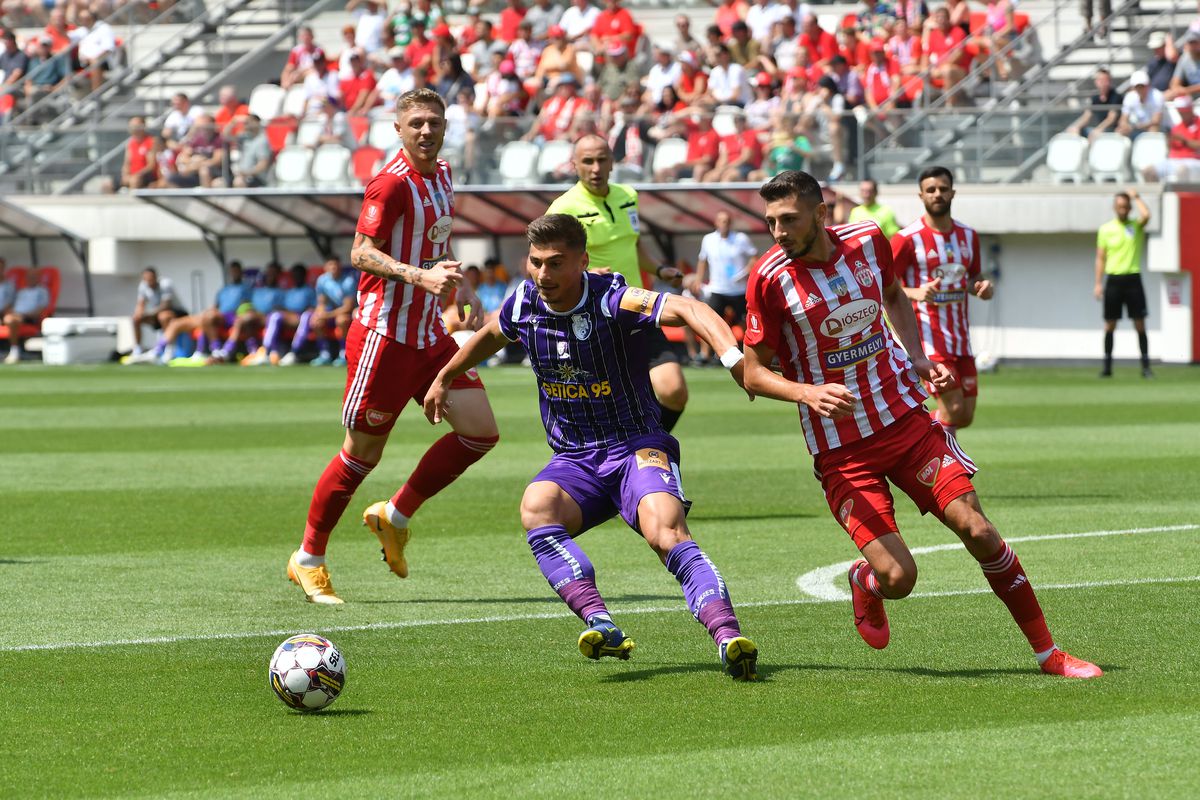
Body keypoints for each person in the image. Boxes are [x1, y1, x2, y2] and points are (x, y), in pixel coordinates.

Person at [741, 169, 1102, 679]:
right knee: (899, 577)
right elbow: (752, 373)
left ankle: (1049, 654)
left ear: (821, 214)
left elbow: (892, 295)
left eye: (789, 220)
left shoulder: (867, 239)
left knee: (978, 529)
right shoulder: (769, 278)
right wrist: (808, 392)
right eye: (771, 221)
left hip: (906, 421)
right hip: (842, 449)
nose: (778, 232)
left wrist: (915, 357)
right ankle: (867, 581)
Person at [423, 214, 759, 680]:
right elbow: (491, 335)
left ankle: (727, 636)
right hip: (575, 459)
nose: (543, 275)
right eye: (536, 262)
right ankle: (601, 623)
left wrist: (733, 358)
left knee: (665, 531)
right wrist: (445, 376)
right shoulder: (525, 301)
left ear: (582, 262)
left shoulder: (612, 299)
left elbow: (688, 309)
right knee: (536, 507)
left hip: (635, 446)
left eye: (556, 263)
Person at [287, 88, 498, 604]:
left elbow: (438, 245)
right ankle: (308, 558)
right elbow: (360, 252)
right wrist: (417, 276)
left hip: (429, 333)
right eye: (417, 123)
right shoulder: (390, 184)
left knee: (481, 433)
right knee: (361, 456)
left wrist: (460, 285)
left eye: (434, 121)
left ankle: (394, 516)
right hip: (384, 338)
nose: (426, 130)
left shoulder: (443, 175)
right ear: (399, 130)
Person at [547, 135, 690, 432]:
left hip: (637, 309)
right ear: (575, 165)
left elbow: (633, 245)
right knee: (607, 407)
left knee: (674, 391)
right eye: (588, 161)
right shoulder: (564, 208)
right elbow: (545, 263)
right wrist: (584, 274)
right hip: (596, 319)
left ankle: (649, 445)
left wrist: (661, 269)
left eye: (602, 159)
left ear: (613, 162)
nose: (596, 167)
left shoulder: (628, 195)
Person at [890, 167, 991, 436]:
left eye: (943, 189)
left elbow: (972, 277)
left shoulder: (968, 236)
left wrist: (981, 287)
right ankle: (949, 471)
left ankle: (912, 428)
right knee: (954, 408)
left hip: (960, 341)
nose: (938, 194)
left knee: (965, 415)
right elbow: (879, 284)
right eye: (931, 190)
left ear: (953, 193)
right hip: (928, 340)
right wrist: (914, 293)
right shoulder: (907, 239)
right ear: (921, 195)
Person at [1094, 189, 1152, 378]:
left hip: (1133, 278)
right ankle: (1107, 367)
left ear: (1129, 208)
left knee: (1140, 323)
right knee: (1110, 324)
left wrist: (1136, 196)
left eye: (1126, 206)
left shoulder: (1135, 226)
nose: (1123, 209)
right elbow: (1100, 258)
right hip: (1114, 280)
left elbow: (1147, 215)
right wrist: (1098, 283)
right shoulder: (1105, 229)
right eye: (1119, 206)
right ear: (1114, 207)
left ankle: (1145, 367)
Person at [691, 211, 756, 365]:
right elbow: (702, 260)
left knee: (746, 323)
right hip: (718, 289)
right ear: (716, 223)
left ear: (731, 223)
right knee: (709, 321)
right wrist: (698, 280)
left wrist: (745, 273)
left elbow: (754, 257)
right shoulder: (709, 239)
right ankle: (705, 355)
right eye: (721, 221)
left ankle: (752, 355)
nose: (724, 224)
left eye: (727, 221)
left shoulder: (740, 239)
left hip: (738, 289)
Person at [155, 261, 249, 364]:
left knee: (208, 316)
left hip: (229, 317)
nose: (233, 273)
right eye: (232, 271)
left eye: (236, 271)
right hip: (214, 315)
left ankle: (214, 351)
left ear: (240, 272)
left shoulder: (246, 288)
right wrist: (208, 311)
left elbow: (245, 307)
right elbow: (216, 305)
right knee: (175, 323)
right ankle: (157, 352)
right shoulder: (224, 289)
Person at [250, 264, 318, 366]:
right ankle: (268, 352)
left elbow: (313, 307)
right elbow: (284, 307)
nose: (296, 277)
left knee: (306, 316)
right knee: (275, 316)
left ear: (304, 276)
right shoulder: (289, 291)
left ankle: (294, 352)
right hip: (289, 316)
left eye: (299, 275)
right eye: (294, 275)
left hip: (301, 316)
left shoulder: (309, 291)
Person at [126, 267, 187, 362]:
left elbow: (166, 305)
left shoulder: (165, 283)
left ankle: (169, 349)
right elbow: (140, 304)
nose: (149, 282)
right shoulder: (143, 286)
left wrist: (150, 314)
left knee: (164, 316)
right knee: (136, 319)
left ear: (156, 277)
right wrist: (139, 314)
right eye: (146, 279)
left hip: (177, 313)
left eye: (151, 279)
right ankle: (137, 349)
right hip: (156, 314)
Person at [308, 257, 358, 366]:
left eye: (335, 265)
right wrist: (319, 314)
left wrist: (328, 315)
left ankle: (343, 353)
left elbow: (348, 307)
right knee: (317, 321)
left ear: (339, 267)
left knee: (342, 320)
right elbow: (321, 302)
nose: (333, 267)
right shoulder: (322, 280)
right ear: (325, 267)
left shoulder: (348, 281)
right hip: (331, 311)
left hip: (346, 312)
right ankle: (324, 354)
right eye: (330, 265)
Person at [1145, 96, 1200, 183]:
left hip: (1194, 160)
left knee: (1182, 170)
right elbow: (1169, 148)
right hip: (1174, 160)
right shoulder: (1177, 127)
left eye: (1184, 111)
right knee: (1148, 171)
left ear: (1191, 109)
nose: (1182, 114)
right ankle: (1156, 196)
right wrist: (1168, 139)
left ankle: (1181, 196)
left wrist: (1184, 141)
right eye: (1180, 111)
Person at [3, 265, 49, 364]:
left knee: (11, 320)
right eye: (29, 276)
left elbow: (40, 310)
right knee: (10, 318)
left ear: (38, 278)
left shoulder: (42, 291)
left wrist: (23, 315)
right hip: (15, 315)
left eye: (33, 276)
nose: (30, 279)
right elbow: (12, 306)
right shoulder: (21, 291)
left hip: (29, 318)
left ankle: (14, 351)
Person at [1066, 67, 1121, 141]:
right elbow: (1086, 116)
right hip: (1100, 130)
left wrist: (1098, 129)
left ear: (1109, 81)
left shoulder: (1115, 96)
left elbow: (1111, 118)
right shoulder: (1095, 98)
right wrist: (1076, 127)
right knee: (1075, 132)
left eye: (1104, 80)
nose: (1102, 82)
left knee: (1093, 134)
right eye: (1099, 80)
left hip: (1111, 131)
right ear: (1096, 82)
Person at [1117, 70, 1164, 139]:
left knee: (1153, 129)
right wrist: (1124, 125)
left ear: (1148, 85)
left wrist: (1136, 127)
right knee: (1120, 131)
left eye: (1142, 86)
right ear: (1134, 87)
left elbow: (1156, 121)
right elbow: (1123, 118)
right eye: (1137, 86)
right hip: (1135, 128)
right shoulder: (1129, 97)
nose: (1140, 89)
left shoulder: (1157, 96)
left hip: (1152, 128)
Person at [121, 116, 158, 190]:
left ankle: (131, 201)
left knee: (134, 181)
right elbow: (126, 164)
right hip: (132, 175)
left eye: (136, 126)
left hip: (146, 176)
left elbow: (151, 165)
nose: (134, 128)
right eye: (132, 126)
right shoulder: (130, 144)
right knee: (107, 185)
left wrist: (137, 175)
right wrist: (125, 175)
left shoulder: (150, 141)